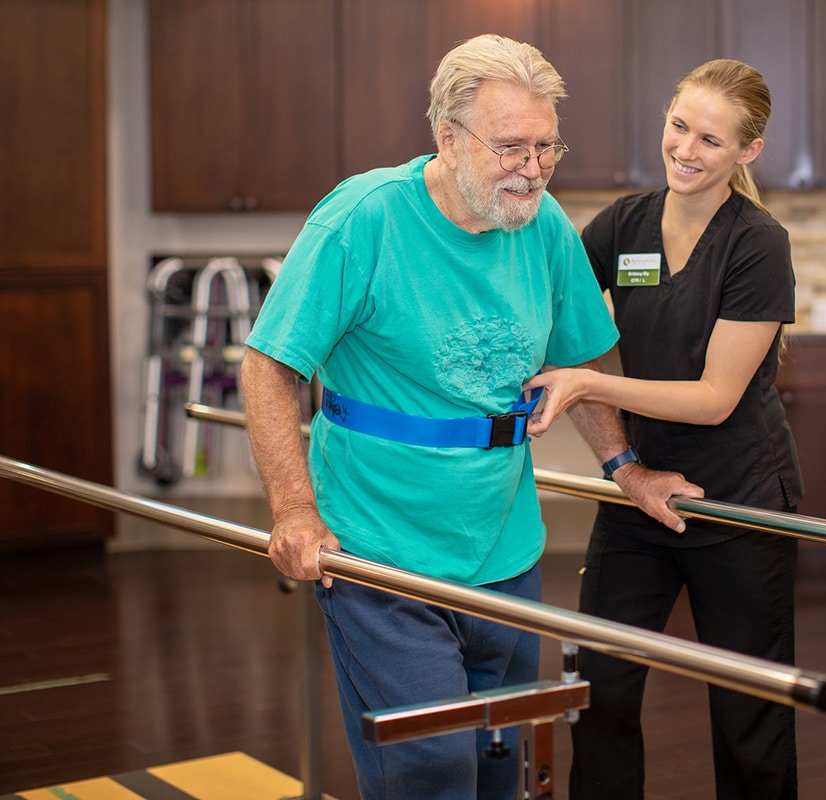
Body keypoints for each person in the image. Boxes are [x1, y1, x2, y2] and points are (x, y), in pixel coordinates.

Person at [239, 34, 696, 800]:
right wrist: (292, 509)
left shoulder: (543, 225)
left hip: (504, 552)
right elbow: (269, 364)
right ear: (446, 138)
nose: (534, 168)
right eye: (512, 146)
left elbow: (585, 361)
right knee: (431, 767)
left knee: (497, 763)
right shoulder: (364, 220)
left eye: (547, 147)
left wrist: (627, 469)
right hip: (381, 551)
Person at [523, 59, 804, 800]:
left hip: (739, 499)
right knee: (600, 687)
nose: (686, 149)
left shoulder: (757, 244)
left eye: (711, 139)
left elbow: (715, 397)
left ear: (749, 151)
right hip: (642, 494)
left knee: (749, 709)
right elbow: (554, 304)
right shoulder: (625, 225)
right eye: (679, 126)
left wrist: (588, 381)